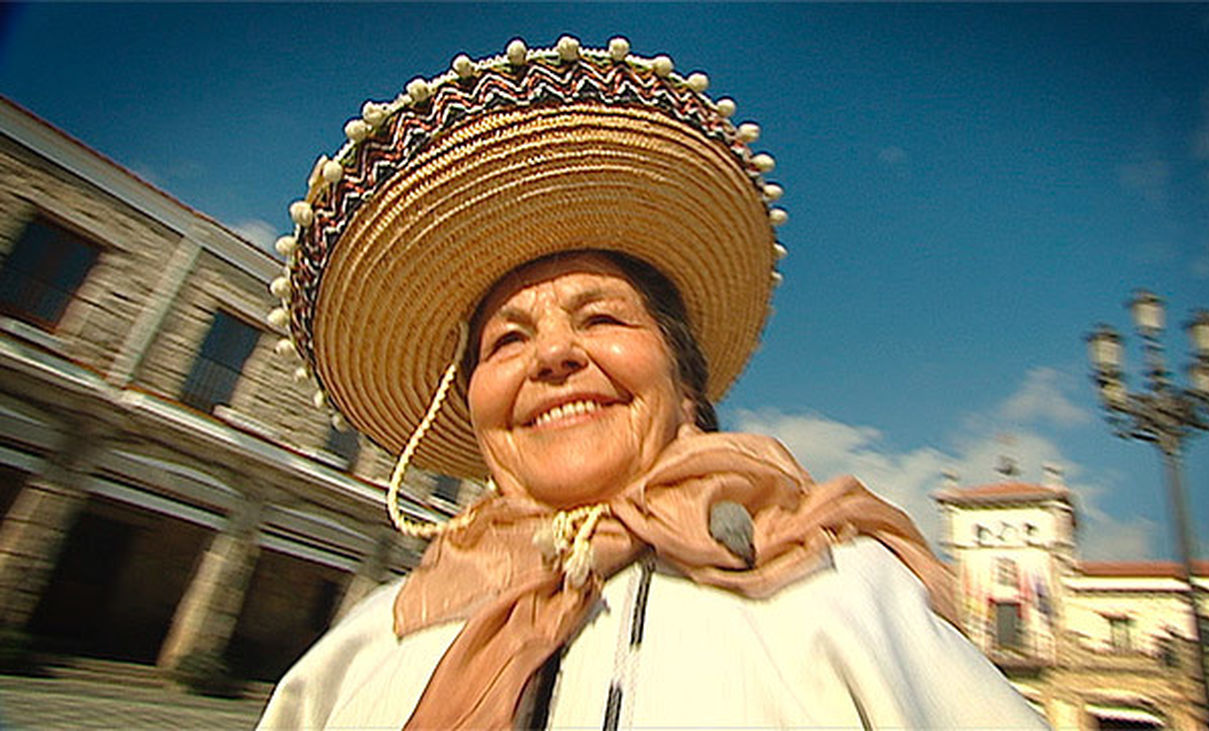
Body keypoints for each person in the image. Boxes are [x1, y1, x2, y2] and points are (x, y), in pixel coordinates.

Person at [257, 36, 1045, 729]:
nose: (552, 356)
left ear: (687, 383)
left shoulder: (848, 598)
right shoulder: (365, 646)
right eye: (507, 340)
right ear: (469, 401)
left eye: (600, 319)